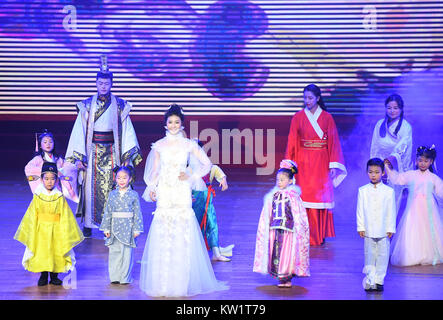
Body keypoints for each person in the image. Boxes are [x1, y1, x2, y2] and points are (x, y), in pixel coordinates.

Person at [139, 104, 228, 297]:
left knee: (182, 232)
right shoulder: (159, 146)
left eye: (176, 122)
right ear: (165, 124)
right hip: (165, 190)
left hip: (180, 190)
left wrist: (189, 174)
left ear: (182, 124)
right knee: (164, 232)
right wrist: (152, 187)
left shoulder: (188, 144)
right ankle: (163, 283)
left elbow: (206, 164)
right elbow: (154, 170)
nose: (173, 125)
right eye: (170, 122)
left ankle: (182, 283)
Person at [65, 55, 142, 237]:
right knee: (89, 187)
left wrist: (126, 156)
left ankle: (114, 223)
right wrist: (80, 158)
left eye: (106, 83)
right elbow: (79, 131)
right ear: (96, 83)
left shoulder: (121, 105)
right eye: (100, 83)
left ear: (111, 84)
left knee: (115, 186)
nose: (103, 86)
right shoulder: (87, 105)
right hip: (92, 153)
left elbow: (128, 130)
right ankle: (89, 224)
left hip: (113, 151)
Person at [284, 84, 347, 246]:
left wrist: (333, 165)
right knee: (304, 197)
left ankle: (319, 234)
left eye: (310, 98)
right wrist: (288, 163)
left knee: (320, 197)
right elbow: (292, 141)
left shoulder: (327, 117)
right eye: (305, 98)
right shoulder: (297, 117)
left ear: (318, 98)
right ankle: (304, 233)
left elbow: (333, 142)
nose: (307, 101)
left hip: (321, 162)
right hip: (303, 162)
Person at [14, 162, 84, 286]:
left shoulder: (59, 196)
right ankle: (43, 275)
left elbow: (65, 215)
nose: (49, 182)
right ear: (42, 179)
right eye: (46, 179)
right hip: (41, 230)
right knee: (42, 252)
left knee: (56, 252)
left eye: (52, 179)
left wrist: (65, 230)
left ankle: (54, 276)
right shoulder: (38, 196)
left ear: (57, 180)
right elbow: (31, 214)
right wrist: (32, 230)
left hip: (56, 229)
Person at [253, 160, 310, 288]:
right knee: (276, 253)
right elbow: (266, 213)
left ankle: (287, 278)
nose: (279, 182)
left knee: (287, 255)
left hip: (288, 231)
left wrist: (298, 229)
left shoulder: (293, 197)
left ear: (290, 181)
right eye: (278, 180)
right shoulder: (273, 195)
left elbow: (299, 215)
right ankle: (280, 278)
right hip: (275, 229)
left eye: (282, 180)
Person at [385, 146, 443, 267]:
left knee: (428, 231)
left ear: (431, 162)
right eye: (420, 160)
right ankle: (412, 255)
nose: (422, 163)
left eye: (426, 161)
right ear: (416, 160)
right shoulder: (411, 175)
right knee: (412, 230)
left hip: (429, 211)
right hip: (413, 209)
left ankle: (429, 254)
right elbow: (397, 179)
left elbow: (441, 192)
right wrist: (387, 168)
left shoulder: (433, 178)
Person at [189, 140, 234, 262]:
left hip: (207, 202)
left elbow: (219, 173)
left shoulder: (210, 167)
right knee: (194, 226)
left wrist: (223, 180)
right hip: (192, 203)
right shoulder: (189, 170)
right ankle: (192, 253)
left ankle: (216, 253)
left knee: (212, 225)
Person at [357, 158, 396, 292]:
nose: (373, 175)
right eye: (370, 172)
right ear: (367, 172)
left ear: (383, 173)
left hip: (383, 229)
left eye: (377, 172)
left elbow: (391, 211)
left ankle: (379, 280)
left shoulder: (389, 191)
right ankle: (370, 279)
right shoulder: (362, 190)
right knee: (369, 255)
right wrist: (361, 227)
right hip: (368, 229)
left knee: (382, 255)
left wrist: (391, 228)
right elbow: (360, 210)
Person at [370, 94, 412, 217]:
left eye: (395, 108)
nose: (392, 111)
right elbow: (375, 146)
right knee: (378, 202)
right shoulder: (379, 124)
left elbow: (402, 148)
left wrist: (388, 164)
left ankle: (391, 232)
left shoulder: (406, 127)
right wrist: (375, 167)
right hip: (380, 168)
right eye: (389, 108)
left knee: (394, 203)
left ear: (401, 109)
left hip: (397, 168)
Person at [99, 165, 143, 285]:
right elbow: (107, 210)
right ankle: (114, 276)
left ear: (130, 179)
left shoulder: (133, 194)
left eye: (124, 178)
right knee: (114, 252)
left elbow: (137, 212)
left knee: (127, 253)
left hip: (128, 228)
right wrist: (106, 227)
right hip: (114, 227)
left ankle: (125, 277)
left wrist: (137, 228)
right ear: (115, 179)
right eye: (119, 178)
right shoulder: (112, 194)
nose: (121, 180)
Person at [25, 130, 78, 202]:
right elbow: (28, 168)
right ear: (40, 145)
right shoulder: (38, 159)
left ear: (54, 144)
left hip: (57, 190)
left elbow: (68, 166)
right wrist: (48, 170)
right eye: (45, 142)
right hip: (43, 190)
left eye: (50, 142)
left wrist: (76, 165)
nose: (48, 144)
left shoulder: (58, 159)